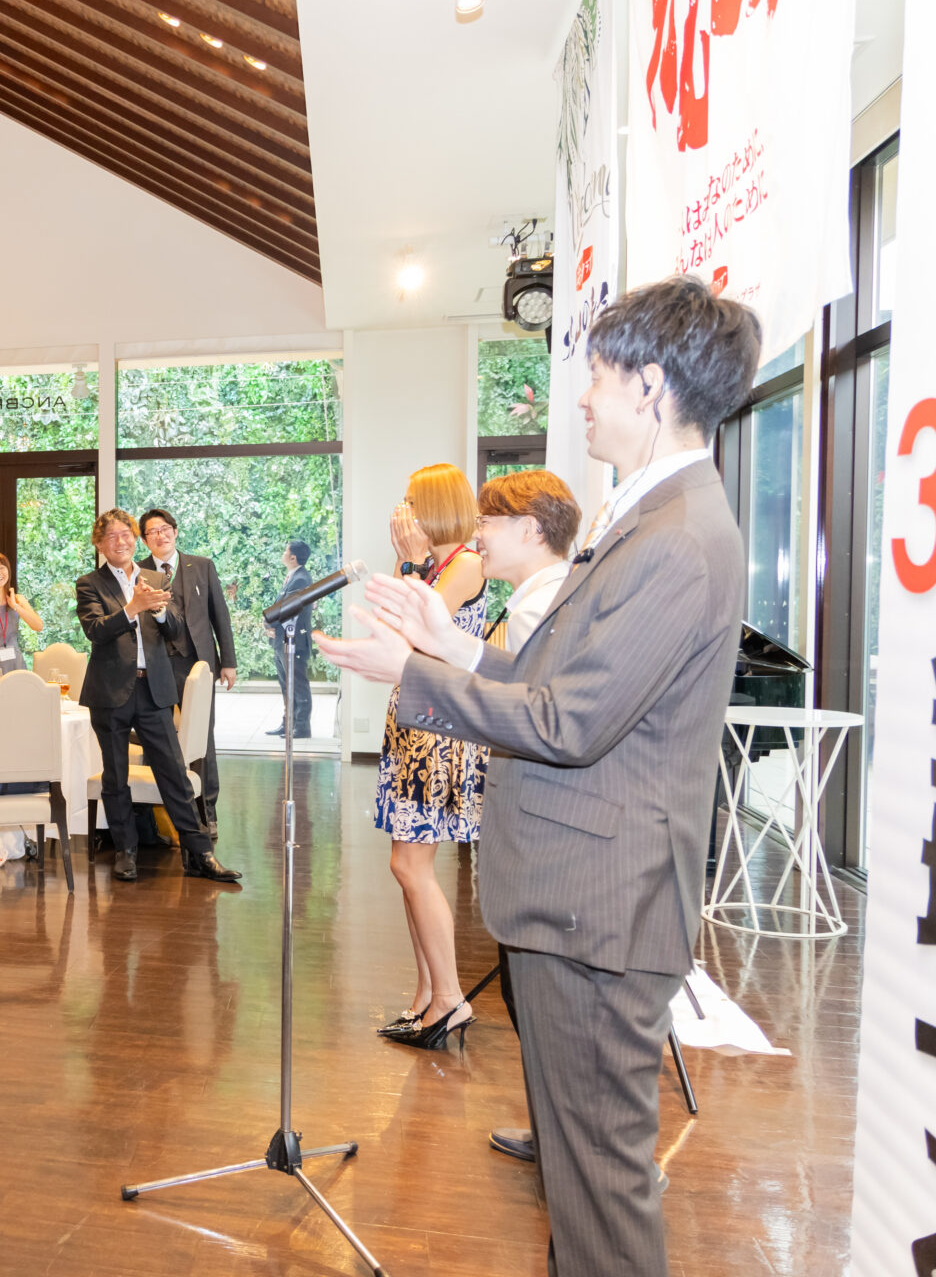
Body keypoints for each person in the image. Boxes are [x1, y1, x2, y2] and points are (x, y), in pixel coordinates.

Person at [317, 275, 760, 1277]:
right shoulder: (648, 519)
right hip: (581, 900)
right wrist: (453, 647)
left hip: (598, 909)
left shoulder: (678, 539)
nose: (583, 397)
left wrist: (414, 675)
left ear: (650, 384)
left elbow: (570, 722)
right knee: (577, 1181)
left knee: (599, 1197)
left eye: (597, 374)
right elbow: (563, 681)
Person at [458, 469, 581, 1166]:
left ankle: (566, 1138)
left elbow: (535, 721)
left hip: (539, 829)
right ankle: (559, 1130)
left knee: (537, 997)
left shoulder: (539, 608)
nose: (477, 535)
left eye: (487, 522)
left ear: (529, 529)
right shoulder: (552, 593)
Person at [370, 463, 488, 1052]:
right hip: (414, 722)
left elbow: (417, 633)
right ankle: (426, 994)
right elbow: (393, 629)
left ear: (437, 506)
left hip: (439, 731)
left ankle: (450, 999)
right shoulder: (434, 565)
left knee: (412, 867)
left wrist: (413, 563)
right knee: (405, 867)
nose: (405, 512)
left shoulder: (465, 564)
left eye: (413, 502)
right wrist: (410, 564)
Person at [76, 509, 239, 884]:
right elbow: (95, 630)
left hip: (154, 690)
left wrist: (163, 612)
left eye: (126, 534)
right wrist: (132, 608)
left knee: (175, 773)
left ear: (135, 539)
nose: (121, 541)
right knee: (116, 777)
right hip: (110, 693)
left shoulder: (153, 577)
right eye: (111, 536)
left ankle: (200, 854)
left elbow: (176, 629)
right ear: (100, 544)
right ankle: (126, 851)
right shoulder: (90, 584)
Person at [140, 507, 236, 835]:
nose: (161, 535)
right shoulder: (138, 572)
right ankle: (158, 815)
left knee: (201, 736)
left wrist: (228, 661)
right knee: (156, 736)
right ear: (145, 540)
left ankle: (207, 810)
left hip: (196, 662)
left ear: (175, 531)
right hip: (155, 664)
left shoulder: (202, 566)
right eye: (153, 531)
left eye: (165, 529)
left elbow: (219, 614)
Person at [266, 541, 314, 737]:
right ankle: (288, 723)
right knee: (286, 684)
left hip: (294, 641)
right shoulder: (293, 577)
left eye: (285, 551)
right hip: (283, 640)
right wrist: (270, 626)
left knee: (297, 685)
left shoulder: (301, 579)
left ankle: (301, 727)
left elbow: (289, 609)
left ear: (293, 557)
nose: (283, 554)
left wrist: (270, 624)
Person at [0, 550, 43, 683]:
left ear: (8, 570)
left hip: (16, 664)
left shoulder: (18, 599)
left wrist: (15, 606)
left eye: (2, 568)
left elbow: (38, 626)